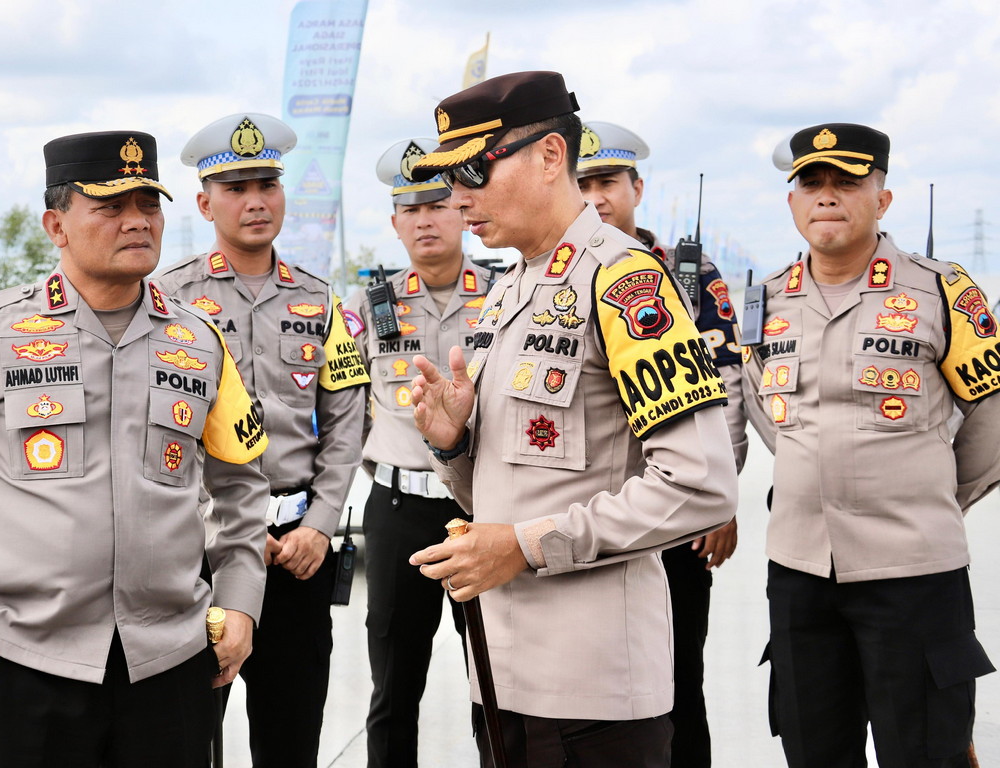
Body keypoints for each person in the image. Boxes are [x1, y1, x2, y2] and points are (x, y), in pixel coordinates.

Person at [0, 130, 272, 768]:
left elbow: (241, 483)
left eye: (148, 205)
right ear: (56, 224)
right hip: (27, 661)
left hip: (169, 661)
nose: (136, 222)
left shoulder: (201, 340)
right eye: (110, 207)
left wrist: (240, 599)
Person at [404, 70, 738, 768]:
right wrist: (455, 442)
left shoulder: (624, 282)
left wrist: (526, 546)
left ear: (551, 156)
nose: (458, 196)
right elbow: (501, 493)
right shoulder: (512, 289)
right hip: (502, 671)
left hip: (592, 692)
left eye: (473, 169)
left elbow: (701, 484)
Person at [744, 122, 1000, 767]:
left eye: (847, 182)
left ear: (881, 199)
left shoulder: (943, 291)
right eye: (811, 182)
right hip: (800, 573)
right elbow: (769, 415)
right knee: (813, 750)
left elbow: (992, 418)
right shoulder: (765, 300)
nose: (827, 196)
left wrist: (929, 495)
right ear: (793, 202)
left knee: (925, 754)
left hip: (914, 572)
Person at [156, 112, 370, 768]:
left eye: (267, 185)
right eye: (236, 188)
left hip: (297, 555)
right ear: (205, 202)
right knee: (188, 742)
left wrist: (322, 526)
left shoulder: (319, 301)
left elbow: (345, 424)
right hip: (202, 558)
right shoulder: (167, 302)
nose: (255, 201)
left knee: (291, 737)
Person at [576, 121, 747, 768]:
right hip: (590, 516)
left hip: (676, 520)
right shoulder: (564, 273)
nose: (596, 198)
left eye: (608, 182)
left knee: (680, 687)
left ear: (636, 187)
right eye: (583, 183)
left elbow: (726, 384)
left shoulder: (689, 274)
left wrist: (721, 499)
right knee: (591, 698)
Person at [344, 137, 491, 768]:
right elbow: (347, 411)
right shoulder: (365, 305)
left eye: (438, 203)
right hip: (398, 508)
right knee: (394, 686)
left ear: (463, 209)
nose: (426, 219)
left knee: (494, 683)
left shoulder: (505, 293)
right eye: (411, 208)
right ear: (395, 223)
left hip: (482, 510)